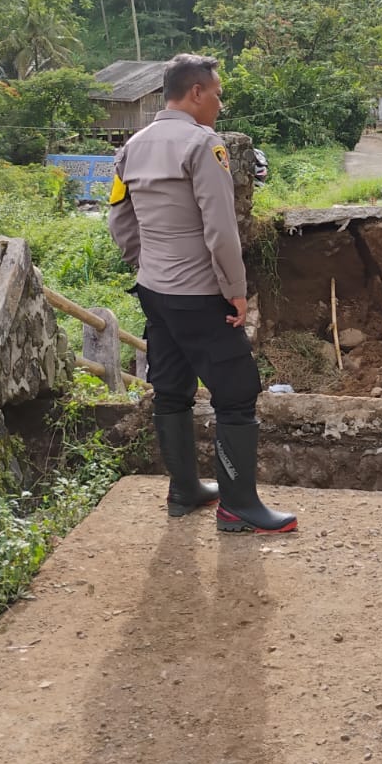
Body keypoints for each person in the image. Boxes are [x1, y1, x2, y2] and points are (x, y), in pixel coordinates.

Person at [107, 53, 297, 535]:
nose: (219, 102)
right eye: (216, 93)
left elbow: (120, 221)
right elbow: (221, 229)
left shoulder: (130, 147)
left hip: (154, 289)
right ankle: (238, 507)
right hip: (198, 293)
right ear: (195, 93)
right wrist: (235, 291)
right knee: (235, 393)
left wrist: (147, 264)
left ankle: (184, 490)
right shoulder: (203, 145)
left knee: (171, 390)